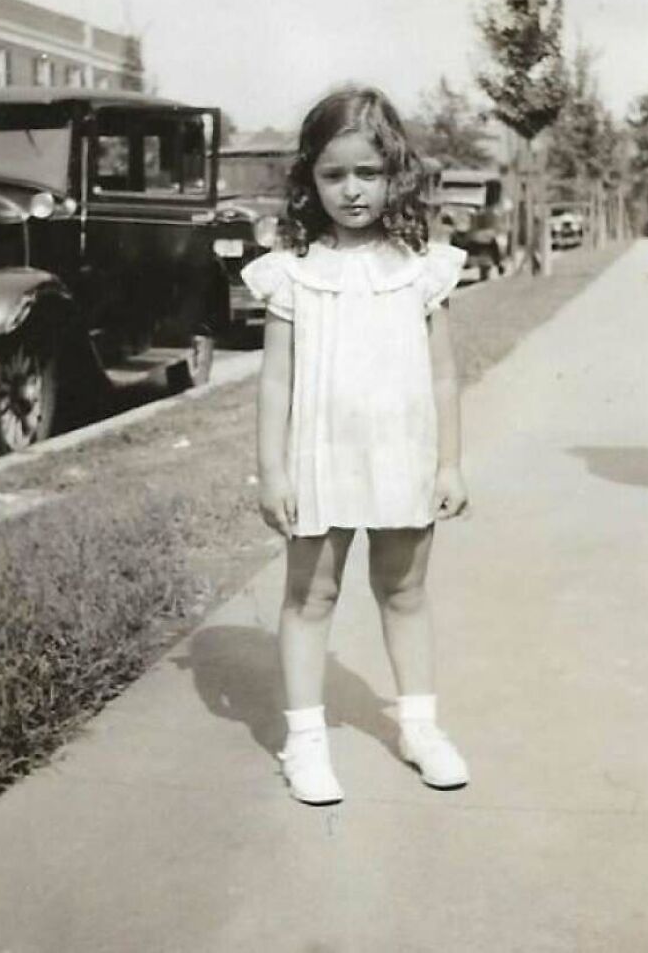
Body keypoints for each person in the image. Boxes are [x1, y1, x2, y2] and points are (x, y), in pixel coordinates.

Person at [241, 86, 470, 806]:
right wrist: (272, 469)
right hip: (320, 455)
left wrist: (450, 461)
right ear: (310, 178)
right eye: (334, 174)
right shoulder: (293, 269)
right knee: (311, 594)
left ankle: (419, 725)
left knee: (403, 589)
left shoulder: (419, 265)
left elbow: (442, 372)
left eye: (366, 173)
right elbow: (275, 380)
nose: (351, 189)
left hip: (401, 452)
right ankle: (305, 739)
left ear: (393, 172)